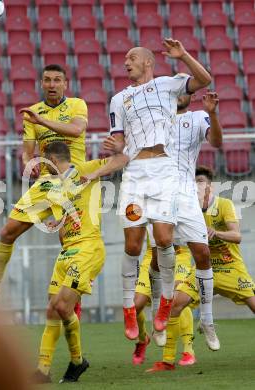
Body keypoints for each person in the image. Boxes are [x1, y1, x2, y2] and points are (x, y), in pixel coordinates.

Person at [107, 38, 212, 342]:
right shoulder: (119, 99)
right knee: (132, 245)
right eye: (125, 59)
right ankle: (129, 307)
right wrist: (116, 146)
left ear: (148, 62)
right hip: (136, 173)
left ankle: (165, 302)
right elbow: (119, 144)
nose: (127, 62)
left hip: (164, 171)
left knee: (165, 240)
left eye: (132, 58)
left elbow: (205, 80)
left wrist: (183, 56)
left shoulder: (168, 84)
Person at [0, 64, 88, 299]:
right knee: (7, 232)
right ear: (41, 84)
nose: (52, 85)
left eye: (56, 80)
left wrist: (42, 122)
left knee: (70, 243)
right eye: (47, 80)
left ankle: (74, 295)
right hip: (46, 182)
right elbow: (27, 151)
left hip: (73, 179)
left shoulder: (77, 105)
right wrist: (26, 162)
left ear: (65, 84)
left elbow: (75, 130)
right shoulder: (32, 112)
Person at [33, 141, 128, 384]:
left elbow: (122, 159)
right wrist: (60, 223)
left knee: (62, 306)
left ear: (53, 160)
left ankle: (77, 361)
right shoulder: (55, 190)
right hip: (67, 252)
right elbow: (64, 226)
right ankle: (43, 370)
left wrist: (94, 174)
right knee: (52, 309)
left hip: (88, 248)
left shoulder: (84, 168)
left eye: (45, 163)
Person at [147, 165, 255, 372]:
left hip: (230, 267)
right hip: (203, 270)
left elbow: (237, 236)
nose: (196, 187)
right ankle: (168, 361)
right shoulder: (187, 209)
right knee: (175, 305)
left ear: (210, 187)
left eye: (200, 182)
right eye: (193, 183)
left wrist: (216, 232)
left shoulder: (224, 205)